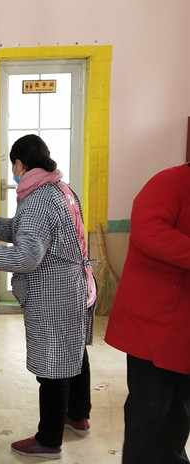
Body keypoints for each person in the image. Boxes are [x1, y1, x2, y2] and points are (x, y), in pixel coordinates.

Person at [0, 134, 96, 459]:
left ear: (19, 164)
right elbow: (27, 230)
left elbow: (26, 256)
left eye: (13, 167)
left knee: (53, 366)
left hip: (53, 293)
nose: (14, 173)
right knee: (74, 351)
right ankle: (78, 416)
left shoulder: (36, 200)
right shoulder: (60, 189)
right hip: (73, 288)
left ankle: (49, 440)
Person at [104, 162, 190, 463]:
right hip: (153, 322)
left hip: (183, 328)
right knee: (150, 408)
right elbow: (150, 232)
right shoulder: (169, 183)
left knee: (180, 409)